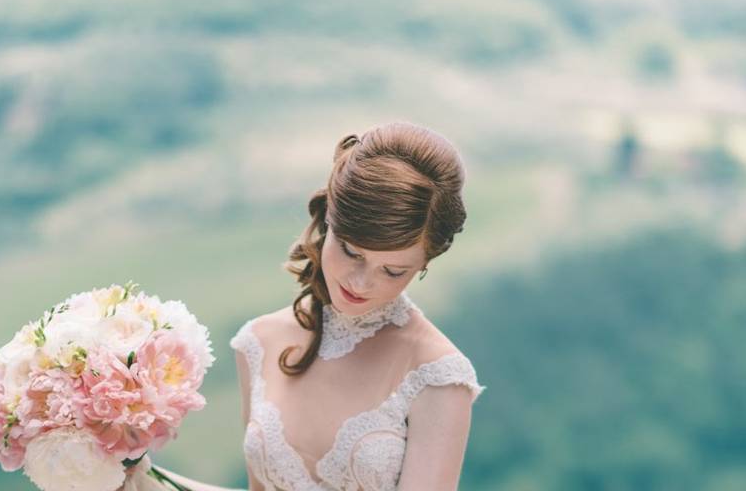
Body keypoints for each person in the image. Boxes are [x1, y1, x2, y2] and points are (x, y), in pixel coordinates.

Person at [123, 121, 485, 491]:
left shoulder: (437, 375)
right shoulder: (258, 342)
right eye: (350, 251)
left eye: (392, 271)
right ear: (329, 218)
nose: (360, 282)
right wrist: (136, 475)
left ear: (424, 264)